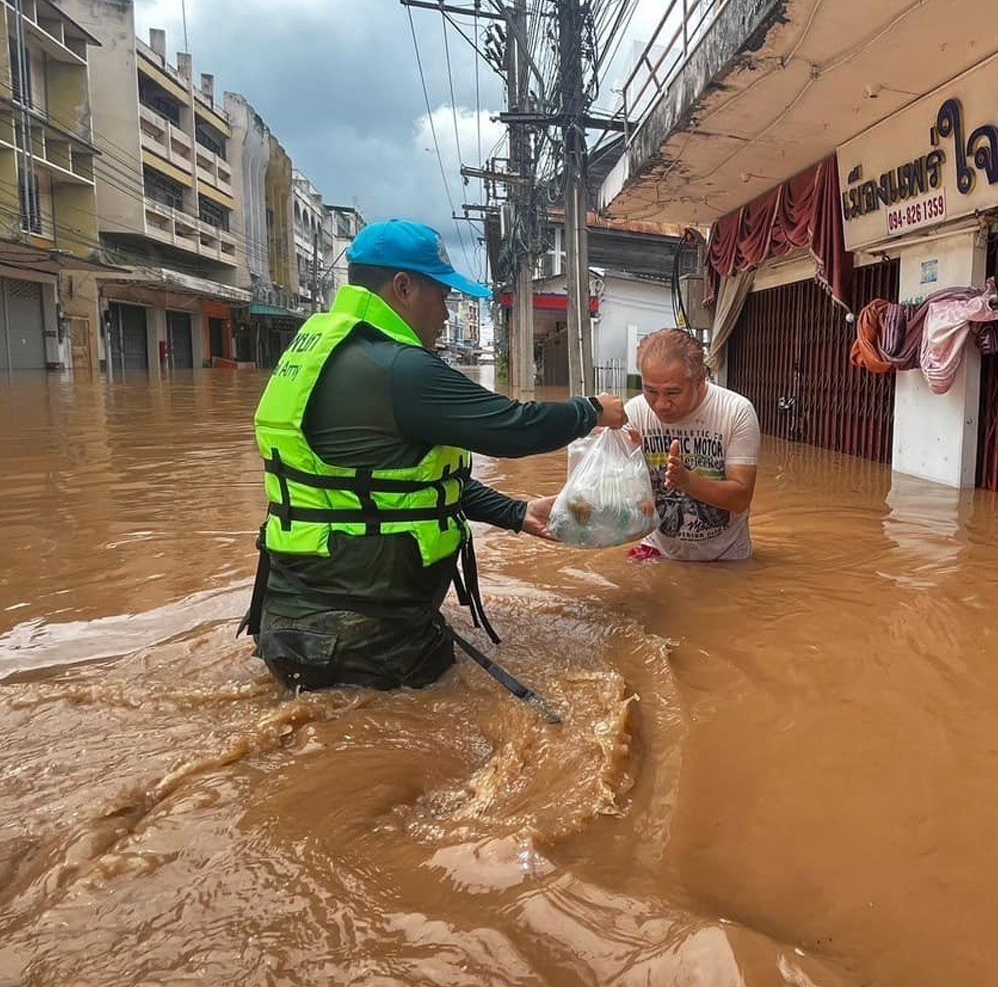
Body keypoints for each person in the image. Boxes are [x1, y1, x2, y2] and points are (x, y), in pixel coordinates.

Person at [242, 219, 626, 692]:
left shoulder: (320, 349)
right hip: (370, 640)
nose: (446, 312)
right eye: (441, 294)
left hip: (294, 620)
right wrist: (592, 411)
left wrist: (516, 513)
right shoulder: (400, 369)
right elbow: (512, 426)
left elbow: (393, 488)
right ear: (403, 287)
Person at [625, 329, 760, 562]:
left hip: (726, 556)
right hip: (657, 550)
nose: (660, 404)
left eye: (672, 392)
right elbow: (617, 493)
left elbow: (740, 499)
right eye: (650, 391)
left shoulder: (736, 411)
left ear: (699, 381)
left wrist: (686, 481)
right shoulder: (634, 413)